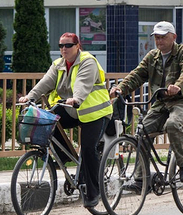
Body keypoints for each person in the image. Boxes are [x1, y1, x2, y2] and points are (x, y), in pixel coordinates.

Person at [18, 33, 113, 209]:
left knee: (87, 147)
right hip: (73, 109)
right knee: (48, 123)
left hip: (95, 112)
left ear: (78, 46)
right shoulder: (59, 64)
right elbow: (45, 83)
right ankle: (63, 155)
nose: (64, 49)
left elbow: (82, 85)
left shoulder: (87, 61)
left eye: (68, 45)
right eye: (61, 45)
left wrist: (76, 98)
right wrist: (29, 97)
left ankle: (93, 192)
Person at [109, 21, 183, 192]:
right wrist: (121, 87)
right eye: (157, 38)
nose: (159, 41)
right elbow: (137, 74)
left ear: (174, 37)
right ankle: (142, 179)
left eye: (163, 37)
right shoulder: (152, 56)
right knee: (141, 133)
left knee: (172, 125)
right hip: (160, 103)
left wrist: (178, 86)